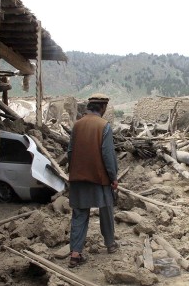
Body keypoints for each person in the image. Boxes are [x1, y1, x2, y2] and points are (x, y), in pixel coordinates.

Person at [67, 93, 119, 268]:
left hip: (78, 178)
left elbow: (70, 152)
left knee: (80, 214)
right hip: (99, 178)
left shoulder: (77, 125)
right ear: (103, 108)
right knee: (106, 210)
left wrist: (73, 172)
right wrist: (113, 177)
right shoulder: (104, 126)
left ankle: (75, 254)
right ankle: (110, 244)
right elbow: (108, 155)